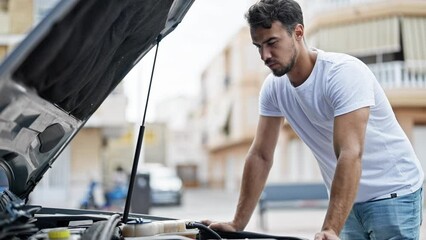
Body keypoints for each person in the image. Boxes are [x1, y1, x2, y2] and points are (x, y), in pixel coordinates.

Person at [202, 0, 424, 239]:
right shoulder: (273, 89)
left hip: (392, 194)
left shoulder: (343, 74)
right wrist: (237, 223)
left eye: (272, 43)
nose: (265, 55)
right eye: (258, 46)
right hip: (346, 200)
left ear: (298, 32)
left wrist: (330, 228)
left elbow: (350, 153)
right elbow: (260, 155)